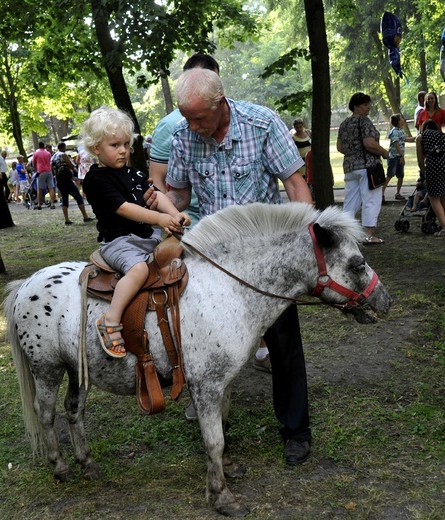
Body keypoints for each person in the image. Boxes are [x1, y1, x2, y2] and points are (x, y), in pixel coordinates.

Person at [162, 68, 314, 466]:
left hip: (266, 262)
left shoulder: (262, 124)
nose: (193, 127)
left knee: (283, 346)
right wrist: (160, 205)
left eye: (199, 118)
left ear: (220, 103)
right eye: (187, 118)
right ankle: (217, 431)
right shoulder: (184, 137)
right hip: (214, 265)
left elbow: (295, 184)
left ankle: (296, 431)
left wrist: (307, 237)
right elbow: (179, 193)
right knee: (209, 346)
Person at [81, 107, 190, 358]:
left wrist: (174, 214)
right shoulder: (97, 179)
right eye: (115, 144)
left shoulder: (135, 173)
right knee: (139, 269)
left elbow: (156, 196)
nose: (123, 150)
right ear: (96, 147)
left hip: (147, 239)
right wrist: (160, 218)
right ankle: (110, 320)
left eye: (126, 144)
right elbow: (125, 209)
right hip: (119, 243)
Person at [148, 53, 222, 228]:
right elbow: (157, 179)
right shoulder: (170, 126)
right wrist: (166, 213)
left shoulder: (235, 118)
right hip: (193, 221)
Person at [336, 92, 390, 244]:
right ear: (356, 107)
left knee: (350, 201)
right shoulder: (364, 121)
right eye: (365, 105)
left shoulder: (344, 124)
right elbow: (369, 143)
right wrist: (384, 153)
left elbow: (340, 147)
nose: (369, 107)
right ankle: (368, 235)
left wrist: (352, 153)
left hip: (349, 167)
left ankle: (344, 235)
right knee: (371, 199)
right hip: (368, 167)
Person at [416, 119, 445, 237]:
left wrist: (424, 174)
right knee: (444, 195)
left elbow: (420, 160)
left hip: (434, 167)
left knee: (434, 197)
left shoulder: (420, 137)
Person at [51, 142, 95, 225]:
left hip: (59, 180)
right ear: (63, 148)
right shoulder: (63, 155)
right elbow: (70, 164)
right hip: (66, 179)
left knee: (64, 199)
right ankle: (85, 216)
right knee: (78, 197)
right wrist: (75, 171)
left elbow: (52, 170)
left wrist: (55, 175)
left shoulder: (52, 157)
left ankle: (67, 219)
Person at [384, 113, 410, 204]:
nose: (403, 119)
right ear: (398, 122)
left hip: (399, 157)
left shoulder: (401, 131)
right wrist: (401, 156)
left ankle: (398, 193)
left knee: (401, 175)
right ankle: (381, 193)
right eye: (401, 118)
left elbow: (404, 139)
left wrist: (415, 138)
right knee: (390, 175)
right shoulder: (394, 131)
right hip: (394, 157)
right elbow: (396, 144)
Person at [31, 141, 56, 209]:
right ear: (44, 146)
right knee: (51, 188)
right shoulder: (48, 153)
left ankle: (39, 204)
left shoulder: (36, 153)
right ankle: (52, 204)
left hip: (41, 172)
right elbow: (50, 162)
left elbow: (33, 164)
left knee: (39, 189)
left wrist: (37, 170)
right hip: (48, 171)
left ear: (38, 146)